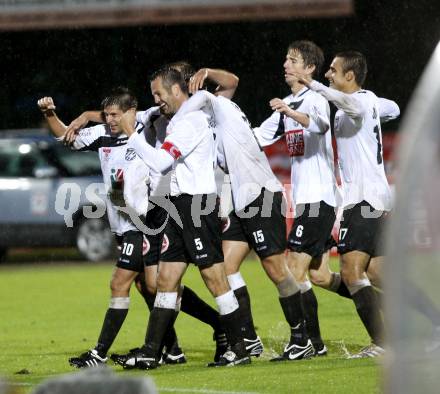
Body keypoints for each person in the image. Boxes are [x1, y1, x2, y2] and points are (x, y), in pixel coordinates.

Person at [174, 70, 313, 361]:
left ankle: (302, 338)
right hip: (241, 201)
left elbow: (233, 81)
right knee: (227, 266)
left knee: (275, 268)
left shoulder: (217, 104)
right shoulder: (202, 121)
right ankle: (248, 337)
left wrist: (208, 72)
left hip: (261, 194)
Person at [119, 67, 249, 369]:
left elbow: (163, 162)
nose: (156, 100)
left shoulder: (191, 122)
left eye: (159, 94)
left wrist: (130, 135)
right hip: (178, 206)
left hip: (197, 206)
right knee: (165, 279)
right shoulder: (175, 120)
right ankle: (151, 351)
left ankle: (239, 345)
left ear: (176, 90)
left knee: (213, 277)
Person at [292, 51, 400, 357]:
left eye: (333, 71)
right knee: (378, 274)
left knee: (352, 272)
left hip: (363, 200)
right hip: (370, 199)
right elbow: (392, 108)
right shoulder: (365, 104)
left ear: (349, 76)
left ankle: (383, 343)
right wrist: (378, 109)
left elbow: (355, 103)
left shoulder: (360, 101)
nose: (328, 74)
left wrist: (312, 84)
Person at [253, 40, 341, 356]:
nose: (286, 65)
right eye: (286, 59)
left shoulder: (315, 98)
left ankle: (302, 341)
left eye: (293, 60)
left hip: (319, 200)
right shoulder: (287, 106)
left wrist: (291, 111)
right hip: (306, 203)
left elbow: (319, 126)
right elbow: (257, 137)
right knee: (319, 275)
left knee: (292, 270)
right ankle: (362, 300)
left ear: (310, 68)